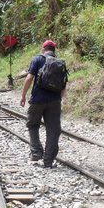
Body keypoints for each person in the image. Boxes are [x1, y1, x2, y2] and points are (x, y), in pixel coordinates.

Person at [19, 40, 66, 169]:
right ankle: (48, 162)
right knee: (53, 131)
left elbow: (29, 78)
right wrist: (59, 100)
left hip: (37, 100)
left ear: (43, 49)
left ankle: (36, 152)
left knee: (33, 125)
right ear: (54, 50)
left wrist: (23, 95)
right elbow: (63, 85)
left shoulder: (38, 59)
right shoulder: (60, 63)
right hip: (54, 101)